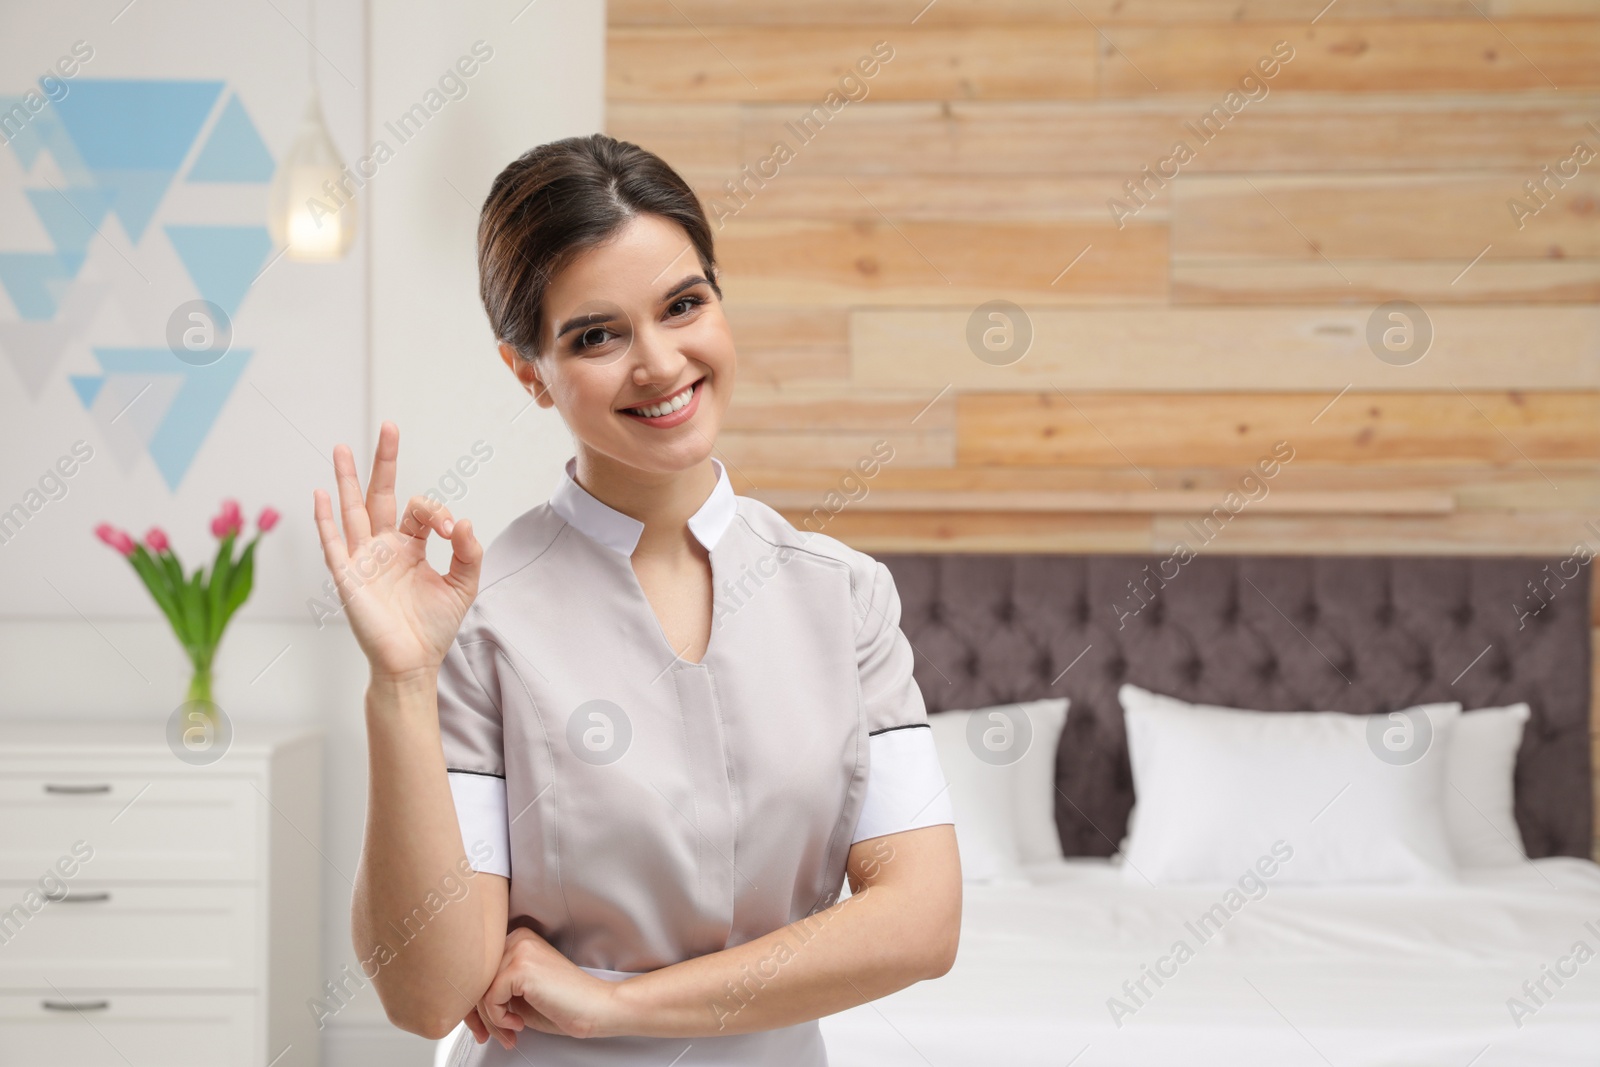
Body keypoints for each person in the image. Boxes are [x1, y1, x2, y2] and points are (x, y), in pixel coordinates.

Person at [312, 132, 961, 1065]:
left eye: (683, 304)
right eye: (597, 335)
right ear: (529, 371)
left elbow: (921, 922)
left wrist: (619, 1005)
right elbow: (428, 995)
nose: (658, 363)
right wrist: (402, 681)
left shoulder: (846, 596)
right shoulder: (479, 617)